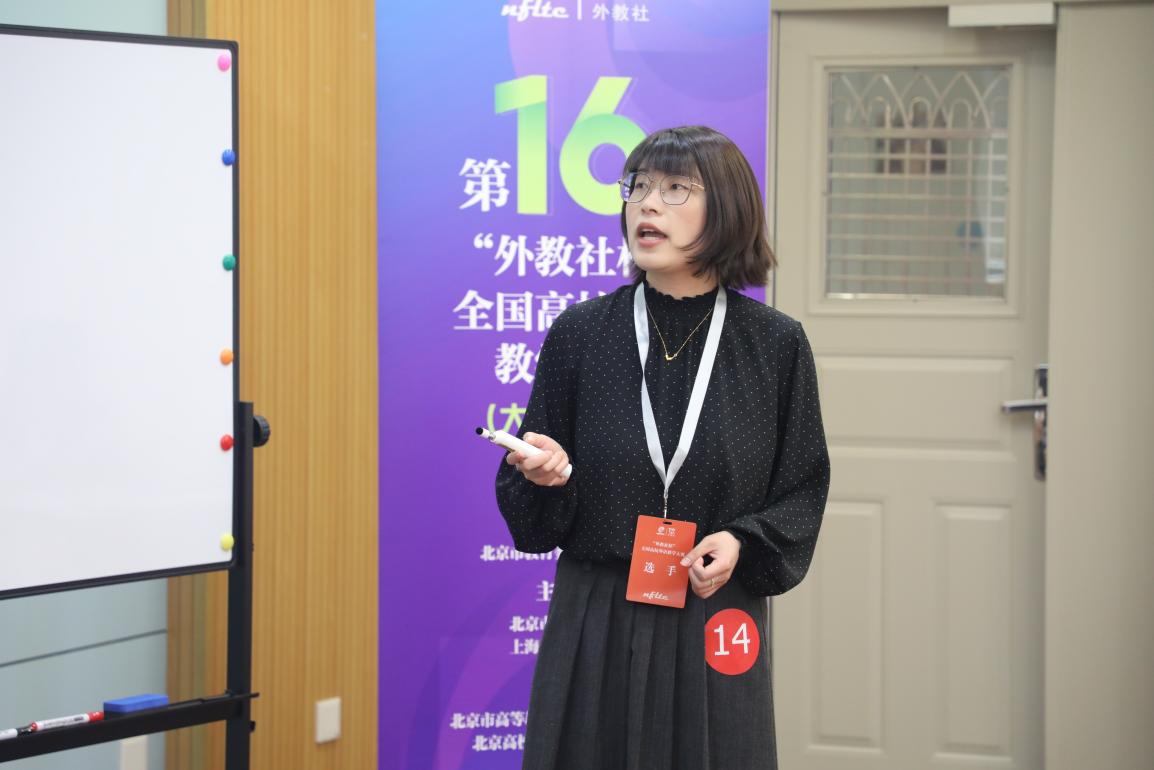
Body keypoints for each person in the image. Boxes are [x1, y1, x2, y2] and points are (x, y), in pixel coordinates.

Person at [495, 125, 830, 770]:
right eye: (639, 186)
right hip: (597, 613)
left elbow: (802, 487)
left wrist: (742, 541)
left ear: (726, 208)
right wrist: (544, 477)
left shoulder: (775, 344)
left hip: (715, 610)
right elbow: (531, 508)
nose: (648, 204)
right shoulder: (580, 333)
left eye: (677, 188)